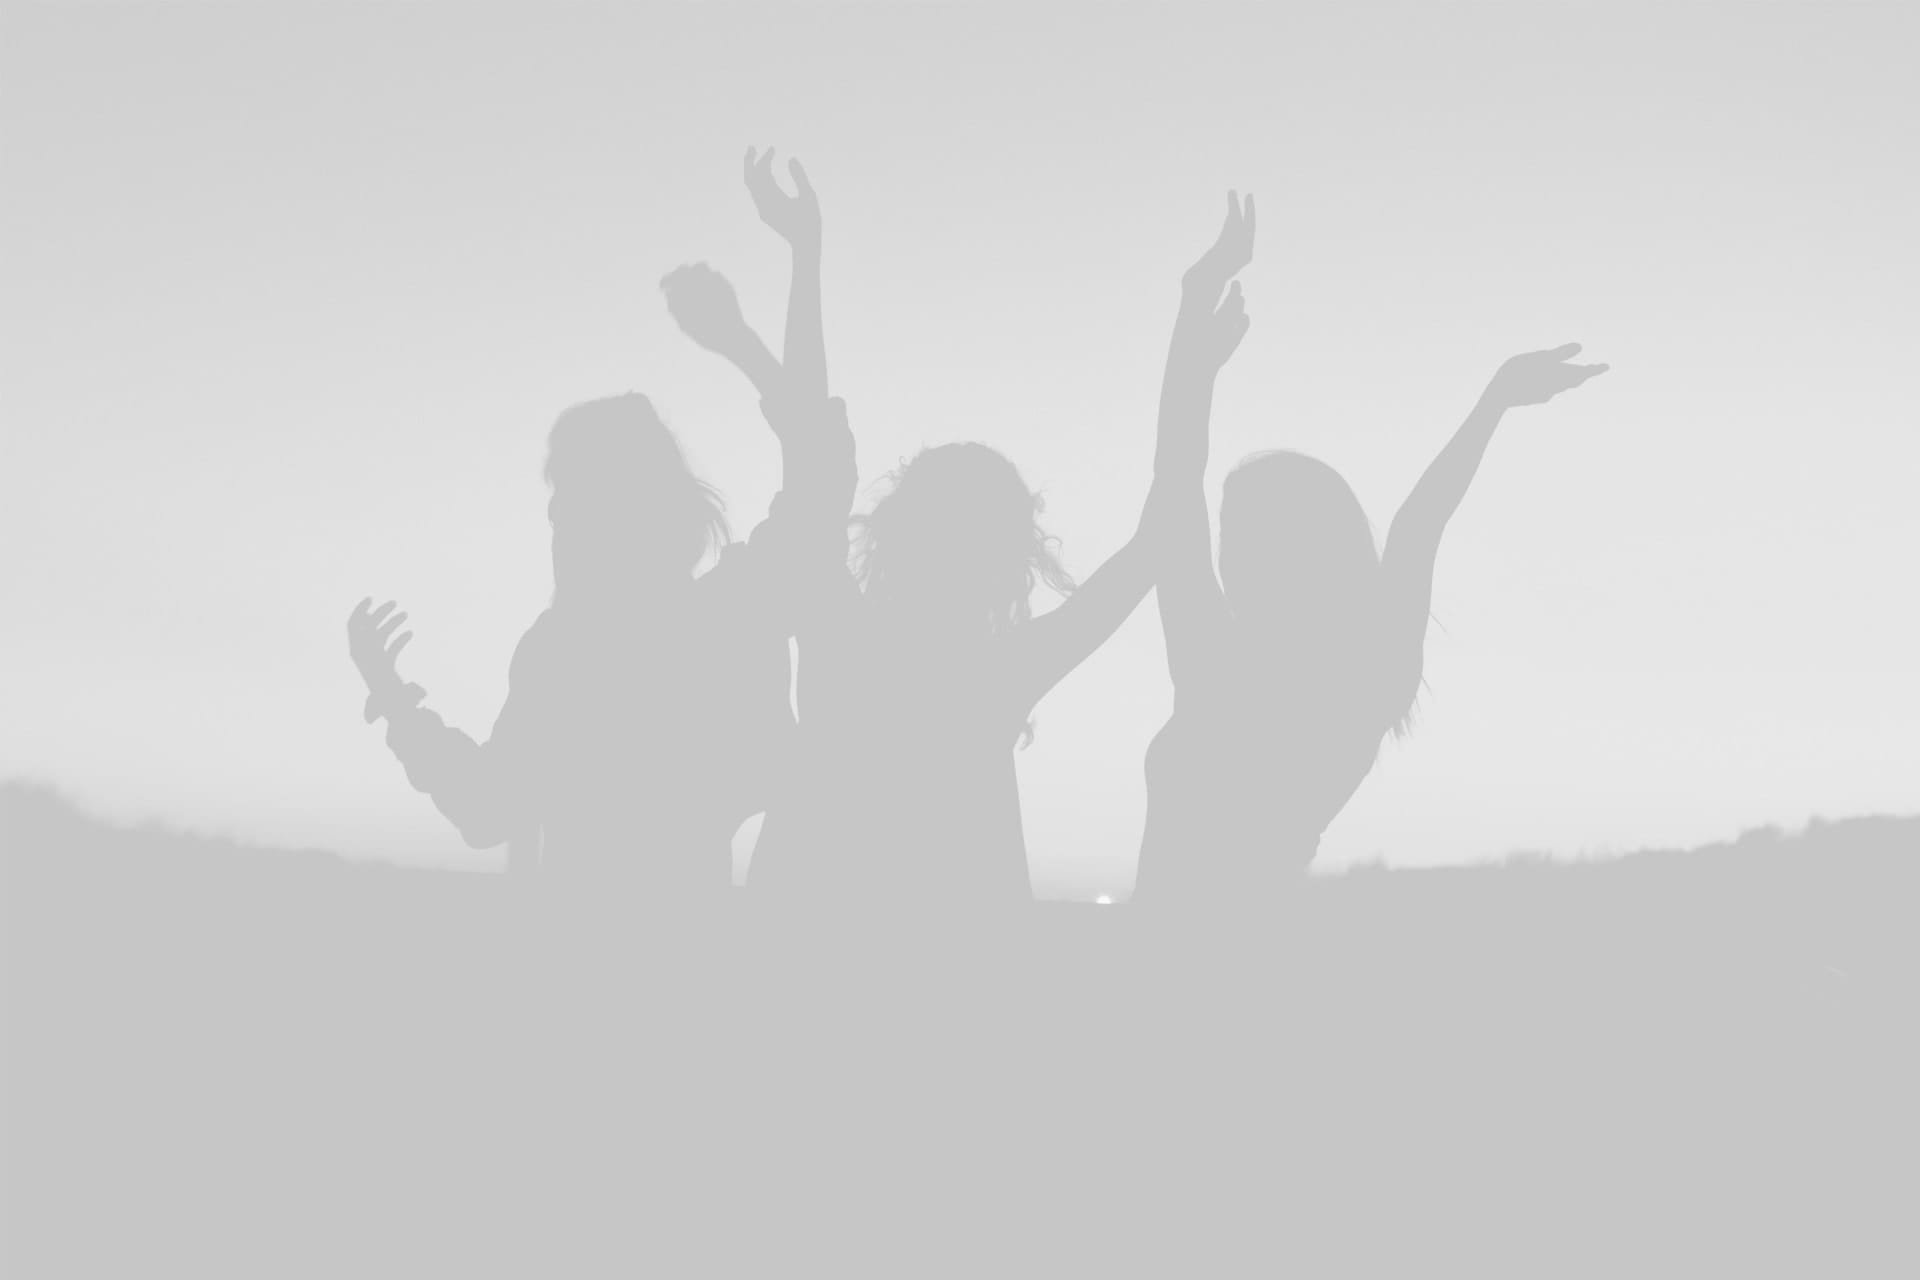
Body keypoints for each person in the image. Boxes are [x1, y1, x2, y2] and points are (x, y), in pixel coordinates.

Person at [675, 187, 1256, 911]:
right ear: (1010, 560)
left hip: (801, 955)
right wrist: (1193, 348)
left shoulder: (840, 630)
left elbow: (809, 450)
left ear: (896, 533)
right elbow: (1164, 520)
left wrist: (805, 256)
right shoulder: (1001, 672)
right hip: (963, 969)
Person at [343, 147, 852, 908]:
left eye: (570, 496)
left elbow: (486, 807)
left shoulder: (568, 651)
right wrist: (771, 298)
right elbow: (819, 475)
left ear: (613, 515)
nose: (554, 515)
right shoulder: (712, 619)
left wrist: (393, 699)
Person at [1137, 256, 1609, 906]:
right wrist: (1493, 402)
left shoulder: (1223, 663)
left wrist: (1194, 348)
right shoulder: (1357, 674)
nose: (1225, 555)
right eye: (1225, 533)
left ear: (1299, 549)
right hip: (1224, 952)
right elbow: (1179, 482)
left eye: (1243, 534)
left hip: (1190, 957)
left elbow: (1178, 479)